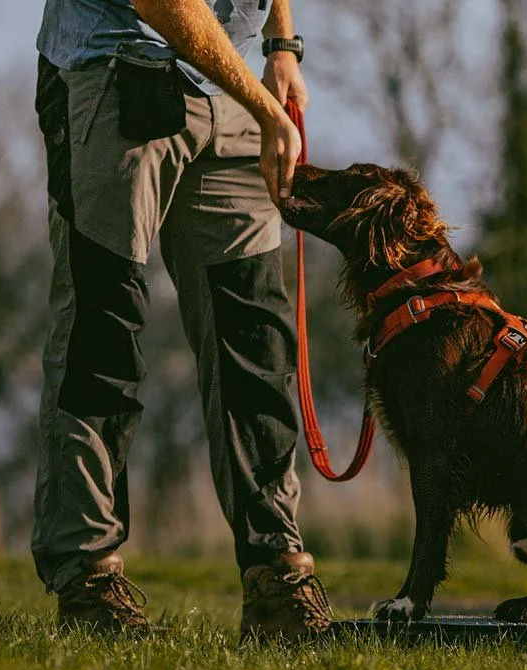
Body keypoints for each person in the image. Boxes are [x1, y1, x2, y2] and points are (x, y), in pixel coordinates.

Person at [30, 0, 332, 638]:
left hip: (232, 91)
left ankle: (277, 577)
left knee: (257, 344)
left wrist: (282, 45)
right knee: (102, 330)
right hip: (115, 70)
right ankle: (89, 580)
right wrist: (261, 99)